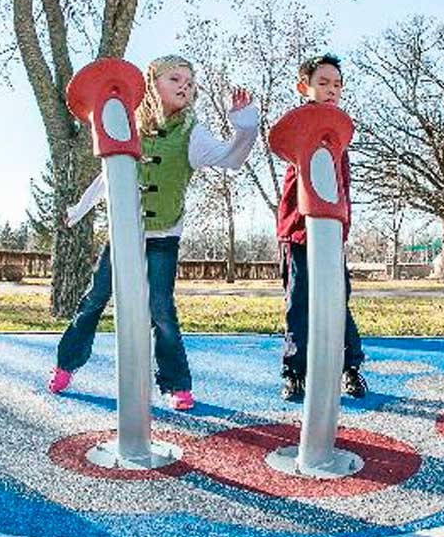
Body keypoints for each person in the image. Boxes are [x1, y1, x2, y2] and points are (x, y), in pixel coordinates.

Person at [49, 55, 258, 411]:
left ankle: (176, 383)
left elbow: (231, 159)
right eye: (175, 79)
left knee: (161, 309)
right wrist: (80, 208)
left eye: (190, 83)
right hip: (125, 236)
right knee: (94, 300)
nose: (185, 87)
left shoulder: (193, 132)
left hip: (163, 237)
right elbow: (109, 175)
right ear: (152, 84)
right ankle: (66, 363)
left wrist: (245, 127)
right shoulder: (129, 124)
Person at [275, 53, 367, 402]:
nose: (332, 90)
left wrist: (342, 225)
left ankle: (350, 367)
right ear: (305, 87)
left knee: (336, 302)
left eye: (337, 85)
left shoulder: (339, 132)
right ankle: (294, 371)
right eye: (323, 83)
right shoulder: (300, 128)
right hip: (299, 233)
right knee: (299, 302)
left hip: (330, 234)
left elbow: (341, 184)